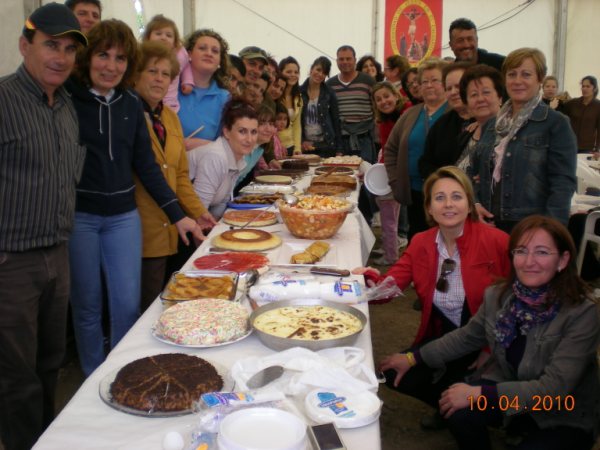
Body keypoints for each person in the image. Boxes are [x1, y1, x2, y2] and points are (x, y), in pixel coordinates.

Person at [382, 215, 599, 450]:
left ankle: (526, 427)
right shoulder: (499, 296)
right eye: (521, 251)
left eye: (542, 252)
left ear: (563, 260)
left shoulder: (582, 312)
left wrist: (480, 394)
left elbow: (554, 389)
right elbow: (466, 337)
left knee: (469, 400)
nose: (529, 261)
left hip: (562, 410)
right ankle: (514, 425)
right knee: (457, 409)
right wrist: (413, 358)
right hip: (513, 388)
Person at [66, 19, 204, 377]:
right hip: (80, 218)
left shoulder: (129, 103)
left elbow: (147, 166)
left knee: (128, 305)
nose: (111, 66)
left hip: (123, 219)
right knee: (88, 306)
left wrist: (179, 215)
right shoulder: (68, 98)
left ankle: (126, 373)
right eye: (103, 55)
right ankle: (93, 375)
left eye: (121, 58)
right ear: (87, 57)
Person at [356, 166, 510, 428]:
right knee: (391, 373)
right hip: (442, 336)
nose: (448, 205)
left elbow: (516, 303)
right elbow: (391, 286)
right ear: (428, 208)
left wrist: (490, 349)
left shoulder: (497, 241)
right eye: (439, 198)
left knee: (467, 414)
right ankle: (447, 405)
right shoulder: (421, 242)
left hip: (485, 340)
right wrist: (366, 282)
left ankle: (473, 410)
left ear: (470, 203)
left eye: (457, 196)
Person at [0, 5, 87, 448]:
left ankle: (46, 440)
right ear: (24, 45)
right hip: (11, 262)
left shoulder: (68, 107)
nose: (62, 56)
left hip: (58, 254)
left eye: (70, 49)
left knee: (50, 362)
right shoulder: (2, 100)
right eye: (51, 44)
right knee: (16, 378)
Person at [133, 41, 217, 311]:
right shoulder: (128, 112)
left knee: (163, 301)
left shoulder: (169, 116)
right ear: (136, 74)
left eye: (166, 74)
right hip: (139, 226)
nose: (159, 79)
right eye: (152, 71)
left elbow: (180, 175)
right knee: (143, 307)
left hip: (171, 228)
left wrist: (198, 212)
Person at [470, 48, 577, 233]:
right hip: (489, 224)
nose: (517, 81)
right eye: (512, 74)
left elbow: (563, 183)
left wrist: (551, 231)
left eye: (526, 74)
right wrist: (475, 203)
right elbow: (473, 170)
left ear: (540, 79)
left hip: (531, 226)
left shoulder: (556, 123)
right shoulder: (492, 124)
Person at [384, 58, 449, 240]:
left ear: (446, 83)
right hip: (414, 192)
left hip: (444, 195)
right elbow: (391, 149)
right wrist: (396, 182)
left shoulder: (455, 113)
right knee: (418, 238)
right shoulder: (411, 113)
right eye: (424, 81)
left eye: (435, 80)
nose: (429, 85)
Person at [187, 100, 258, 219]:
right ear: (226, 132)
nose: (249, 139)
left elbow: (221, 203)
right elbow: (198, 213)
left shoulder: (239, 159)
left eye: (254, 132)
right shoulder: (215, 157)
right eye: (242, 131)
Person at [371, 81, 407, 265]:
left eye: (386, 96)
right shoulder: (384, 122)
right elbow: (386, 150)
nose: (384, 101)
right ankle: (389, 248)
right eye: (378, 99)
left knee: (389, 218)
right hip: (391, 173)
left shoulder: (407, 112)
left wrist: (386, 177)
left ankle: (391, 256)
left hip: (398, 175)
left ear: (396, 95)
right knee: (390, 216)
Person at [419, 62, 474, 179]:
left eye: (458, 86)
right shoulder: (441, 125)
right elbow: (425, 163)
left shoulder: (489, 121)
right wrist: (446, 177)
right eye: (449, 88)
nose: (453, 92)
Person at [178, 29, 230, 149]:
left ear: (220, 62)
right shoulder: (171, 87)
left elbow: (225, 144)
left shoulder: (225, 98)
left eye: (215, 51)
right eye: (202, 48)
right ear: (189, 54)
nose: (209, 53)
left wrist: (203, 145)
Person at [327, 45, 376, 163]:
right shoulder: (330, 84)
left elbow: (376, 106)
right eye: (341, 59)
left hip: (364, 138)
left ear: (355, 60)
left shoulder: (368, 81)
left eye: (348, 58)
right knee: (343, 175)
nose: (345, 62)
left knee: (365, 174)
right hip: (340, 140)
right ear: (337, 61)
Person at [455, 64, 504, 172]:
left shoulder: (509, 134)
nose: (480, 99)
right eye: (474, 94)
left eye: (486, 92)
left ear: (500, 98)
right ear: (467, 104)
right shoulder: (465, 136)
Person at [142, 14, 193, 113]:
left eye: (168, 35)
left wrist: (188, 81)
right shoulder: (143, 55)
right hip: (146, 101)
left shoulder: (180, 54)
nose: (163, 38)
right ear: (148, 37)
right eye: (158, 34)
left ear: (175, 42)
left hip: (170, 103)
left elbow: (186, 66)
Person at [300, 56, 343, 157]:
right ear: (311, 69)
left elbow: (336, 121)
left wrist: (339, 149)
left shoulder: (329, 93)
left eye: (324, 73)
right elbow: (296, 123)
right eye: (318, 70)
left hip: (326, 146)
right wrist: (301, 141)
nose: (320, 74)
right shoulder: (299, 92)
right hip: (305, 147)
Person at [562, 75, 600, 153]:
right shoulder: (573, 103)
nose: (584, 89)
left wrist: (597, 149)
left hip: (587, 148)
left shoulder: (598, 106)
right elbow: (559, 114)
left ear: (595, 88)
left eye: (588, 86)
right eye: (583, 86)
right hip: (569, 145)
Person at [278, 56, 303, 155]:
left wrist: (297, 148)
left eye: (296, 72)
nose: (293, 75)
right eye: (289, 72)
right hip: (275, 148)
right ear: (280, 73)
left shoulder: (298, 98)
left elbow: (297, 125)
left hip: (291, 146)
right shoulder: (276, 95)